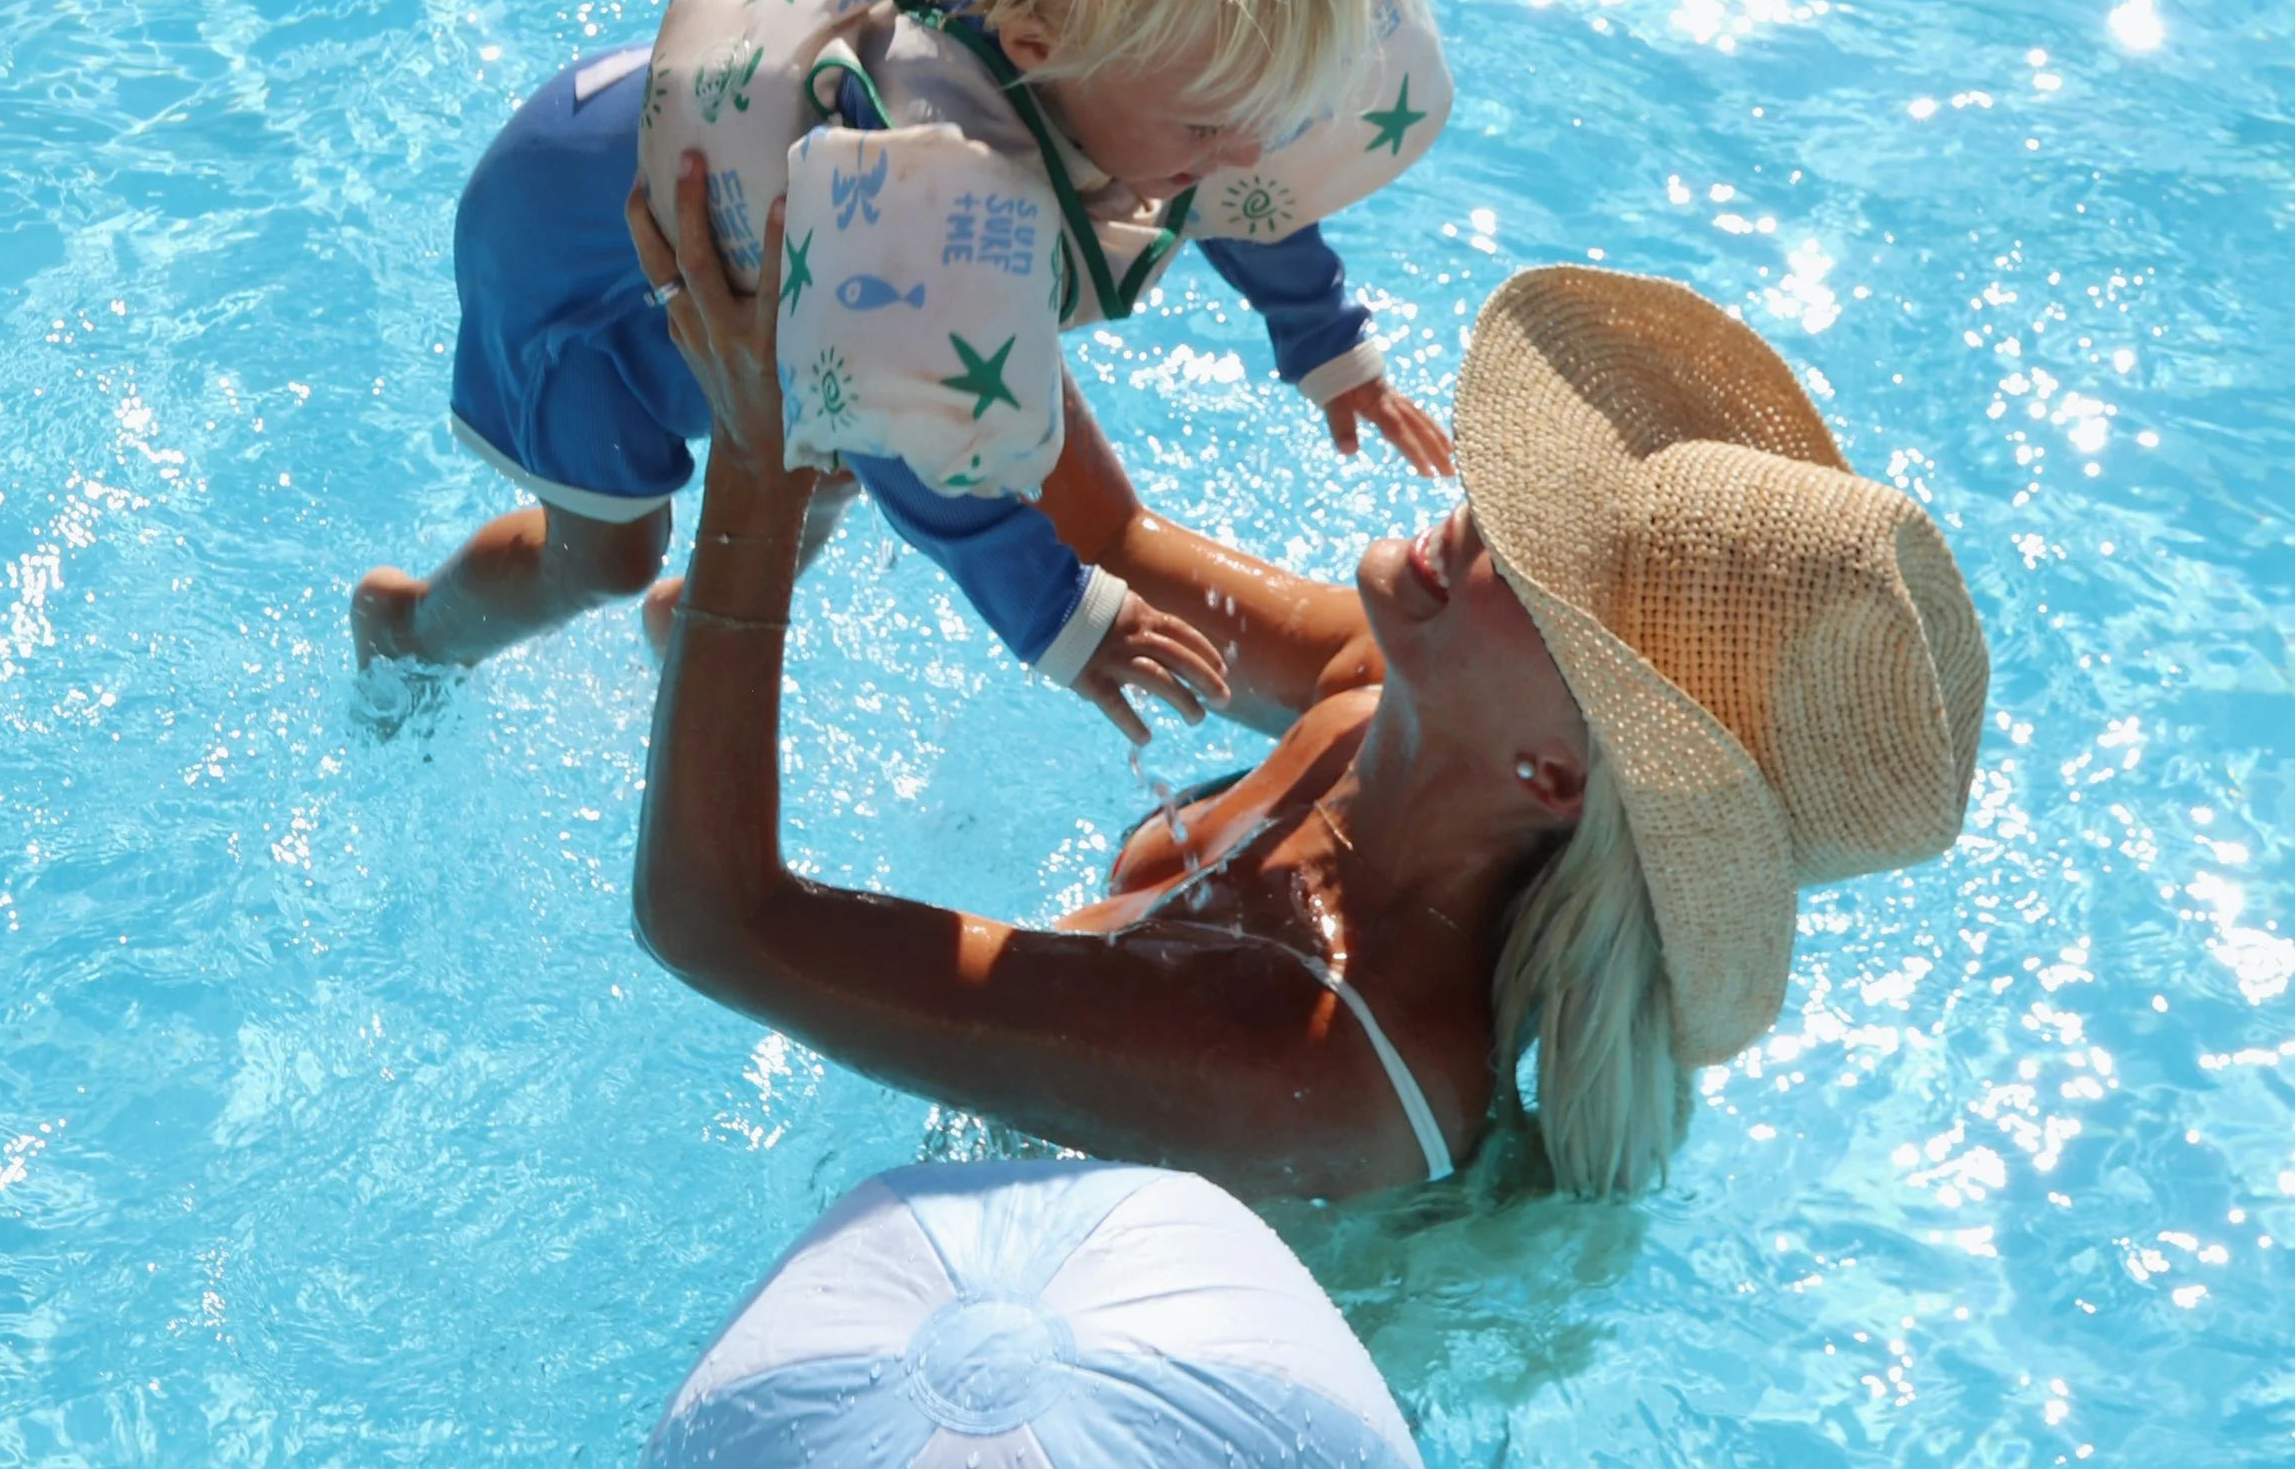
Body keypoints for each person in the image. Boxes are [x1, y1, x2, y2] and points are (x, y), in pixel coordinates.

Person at [626, 154, 1990, 1203]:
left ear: (1559, 773)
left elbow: (720, 923)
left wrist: (751, 466)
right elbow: (1106, 542)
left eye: (1551, 563)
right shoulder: (1381, 695)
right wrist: (951, 229)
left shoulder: (1301, 1055)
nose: (1492, 505)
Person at [353, 0, 1454, 732]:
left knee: (819, 459)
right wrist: (1061, 615)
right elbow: (921, 457)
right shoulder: (930, 154)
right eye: (1213, 122)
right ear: (1030, 47)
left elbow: (1216, 188)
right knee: (605, 551)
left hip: (782, 238)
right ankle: (409, 626)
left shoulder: (1129, 65)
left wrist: (1323, 340)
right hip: (580, 266)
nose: (1249, 151)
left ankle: (693, 612)